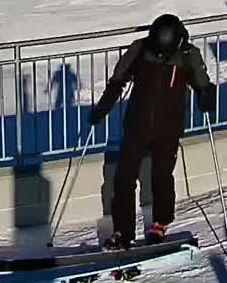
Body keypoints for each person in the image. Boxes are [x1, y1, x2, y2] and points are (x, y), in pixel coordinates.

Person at [88, 14, 216, 248]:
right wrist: (103, 107)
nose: (160, 53)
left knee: (162, 177)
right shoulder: (140, 49)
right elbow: (118, 80)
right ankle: (122, 231)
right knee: (124, 178)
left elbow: (201, 82)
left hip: (168, 128)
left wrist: (207, 96)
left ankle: (160, 223)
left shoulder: (188, 55)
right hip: (137, 123)